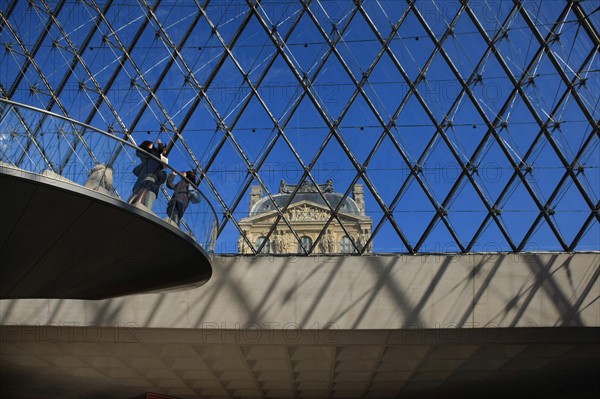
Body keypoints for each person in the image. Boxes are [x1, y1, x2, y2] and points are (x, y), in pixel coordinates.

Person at [129, 139, 167, 211]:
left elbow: (136, 171)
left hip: (139, 182)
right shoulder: (154, 155)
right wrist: (160, 143)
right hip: (150, 180)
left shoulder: (144, 158)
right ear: (149, 145)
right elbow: (162, 150)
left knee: (135, 195)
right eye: (152, 145)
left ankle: (128, 207)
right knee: (146, 205)